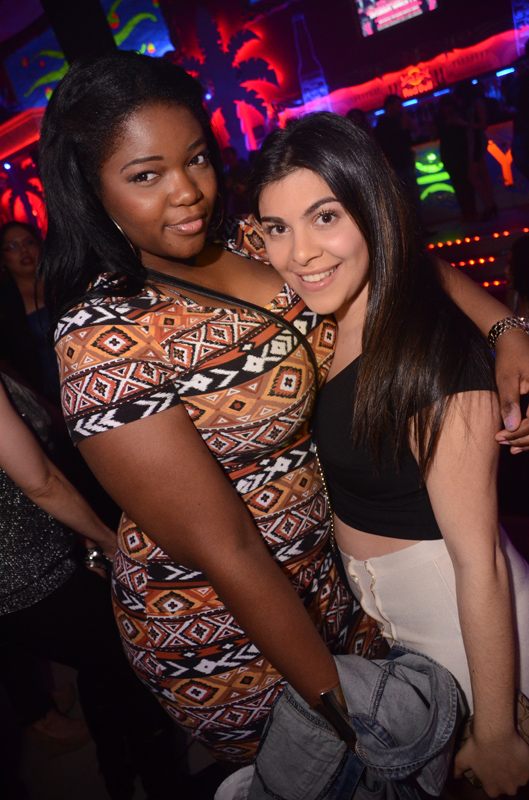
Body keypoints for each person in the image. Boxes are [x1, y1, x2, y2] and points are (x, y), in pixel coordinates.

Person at [38, 51, 529, 768]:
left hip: (342, 584)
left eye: (196, 159)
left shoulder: (252, 239)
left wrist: (505, 330)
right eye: (146, 175)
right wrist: (350, 717)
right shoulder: (105, 338)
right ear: (90, 187)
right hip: (226, 631)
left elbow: (385, 254)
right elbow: (227, 550)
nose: (187, 193)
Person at [249, 111, 529, 798]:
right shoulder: (339, 307)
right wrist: (507, 325)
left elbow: (480, 564)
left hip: (467, 629)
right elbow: (423, 266)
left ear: (372, 209)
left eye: (324, 217)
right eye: (277, 228)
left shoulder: (432, 363)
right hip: (395, 627)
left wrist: (496, 732)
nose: (299, 255)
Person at [0, 375, 186, 799]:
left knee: (101, 665)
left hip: (31, 579)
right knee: (133, 667)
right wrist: (107, 541)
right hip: (35, 580)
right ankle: (165, 786)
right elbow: (41, 482)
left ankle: (118, 777)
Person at [0, 221, 60, 403]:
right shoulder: (5, 307)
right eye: (12, 247)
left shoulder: (65, 283)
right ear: (2, 258)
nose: (24, 251)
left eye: (29, 242)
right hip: (48, 398)